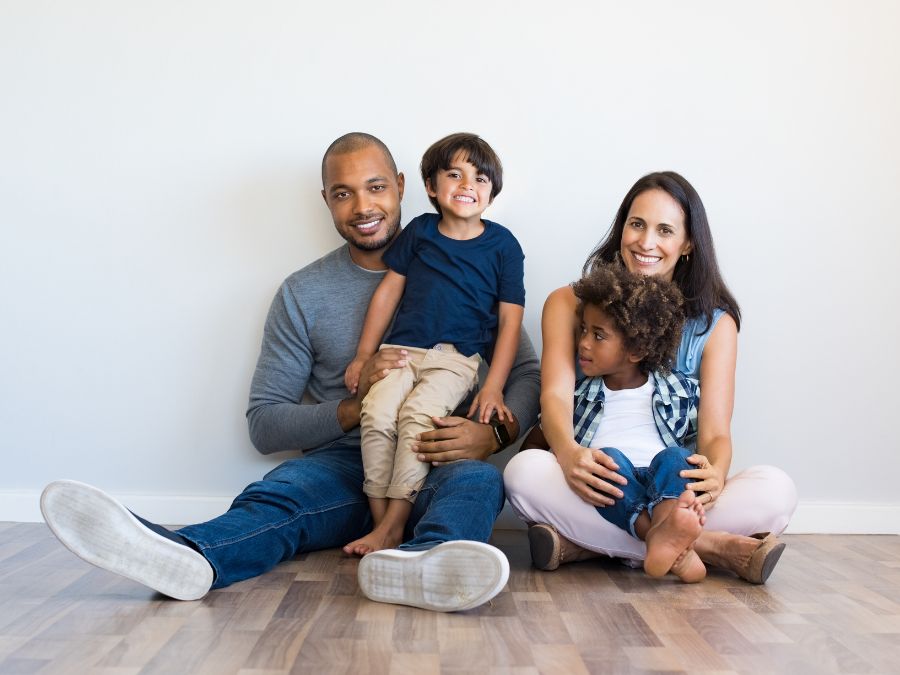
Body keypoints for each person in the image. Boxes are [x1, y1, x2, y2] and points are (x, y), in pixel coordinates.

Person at [40, 132, 541, 612]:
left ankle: (420, 566)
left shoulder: (470, 267)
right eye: (344, 194)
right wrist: (356, 405)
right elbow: (265, 424)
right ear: (326, 201)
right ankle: (188, 556)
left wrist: (490, 434)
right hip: (345, 467)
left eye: (376, 187)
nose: (363, 207)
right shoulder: (304, 293)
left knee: (477, 484)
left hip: (439, 456)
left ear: (405, 187)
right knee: (280, 494)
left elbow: (525, 374)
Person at [504, 171, 797, 584]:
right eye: (637, 224)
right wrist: (569, 456)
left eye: (665, 230)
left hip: (674, 488)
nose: (646, 243)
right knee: (524, 472)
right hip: (598, 478)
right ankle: (712, 547)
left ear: (688, 243)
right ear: (622, 226)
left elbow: (715, 433)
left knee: (776, 489)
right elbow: (554, 396)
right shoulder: (569, 303)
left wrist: (715, 474)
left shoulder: (715, 324)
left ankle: (589, 545)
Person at [342, 133, 525, 556]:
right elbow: (388, 292)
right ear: (431, 186)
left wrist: (493, 386)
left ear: (492, 193)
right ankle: (381, 524)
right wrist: (364, 355)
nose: (467, 185)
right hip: (402, 351)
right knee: (378, 412)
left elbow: (510, 323)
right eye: (455, 175)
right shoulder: (421, 232)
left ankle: (395, 524)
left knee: (417, 416)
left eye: (480, 179)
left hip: (455, 360)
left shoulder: (503, 246)